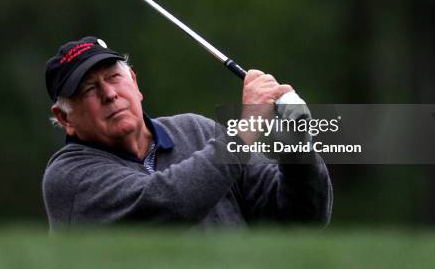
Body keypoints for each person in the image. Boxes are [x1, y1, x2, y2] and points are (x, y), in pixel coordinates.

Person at [42, 36, 332, 229]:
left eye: (114, 78)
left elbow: (302, 217)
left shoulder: (197, 131)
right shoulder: (69, 177)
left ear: (133, 81)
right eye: (89, 89)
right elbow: (169, 204)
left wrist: (297, 145)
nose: (109, 94)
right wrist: (247, 127)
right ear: (64, 117)